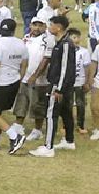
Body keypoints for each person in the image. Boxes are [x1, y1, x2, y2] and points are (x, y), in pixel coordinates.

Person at [30, 16, 79, 158]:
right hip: (64, 85)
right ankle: (69, 140)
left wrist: (59, 88)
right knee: (66, 112)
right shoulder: (62, 43)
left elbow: (65, 68)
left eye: (51, 25)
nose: (49, 27)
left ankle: (48, 147)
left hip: (58, 85)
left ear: (58, 27)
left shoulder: (64, 44)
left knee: (51, 115)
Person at [0, 19, 27, 153]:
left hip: (0, 83)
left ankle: (14, 136)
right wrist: (19, 79)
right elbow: (24, 64)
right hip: (14, 80)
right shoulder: (21, 43)